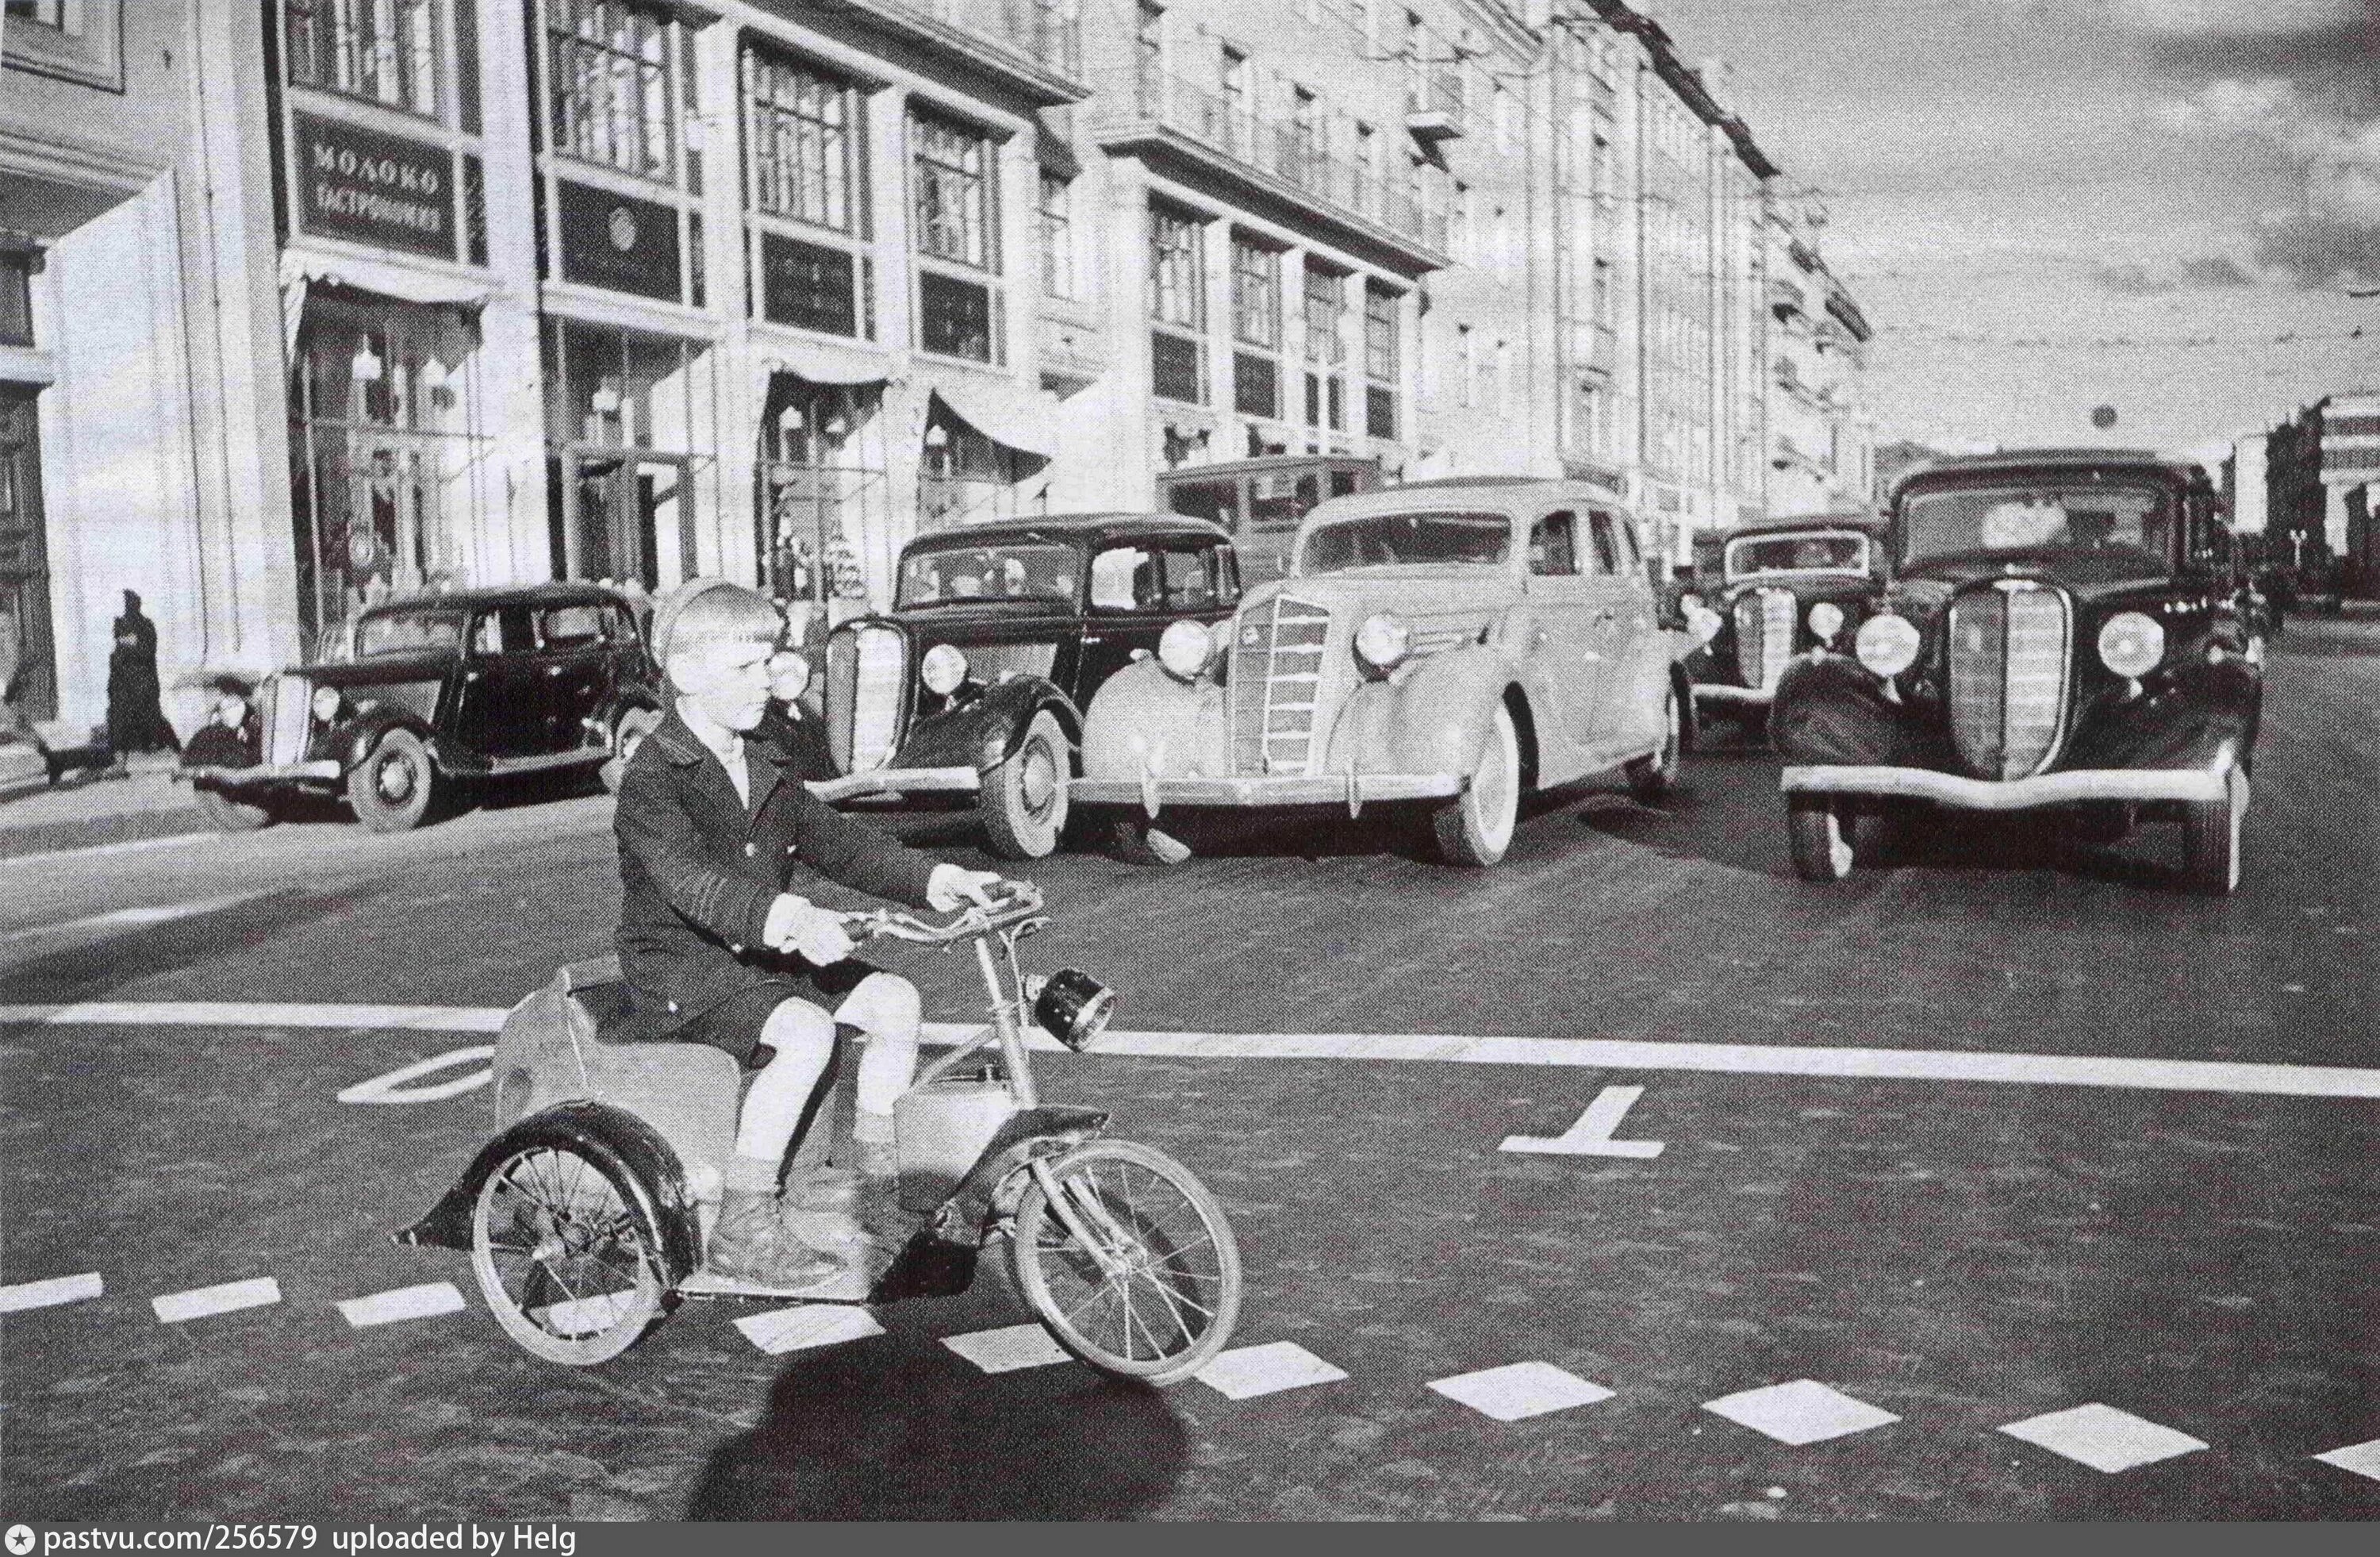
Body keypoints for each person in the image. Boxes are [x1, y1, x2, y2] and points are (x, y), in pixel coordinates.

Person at [613, 578, 1004, 1289]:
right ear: (686, 674)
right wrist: (793, 920)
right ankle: (744, 1220)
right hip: (683, 970)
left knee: (894, 1001)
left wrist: (938, 879)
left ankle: (876, 1189)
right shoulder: (654, 777)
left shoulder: (763, 752)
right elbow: (694, 884)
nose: (767, 681)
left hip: (761, 956)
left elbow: (838, 843)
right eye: (745, 668)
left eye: (770, 662)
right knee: (806, 1032)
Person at [105, 590, 179, 775]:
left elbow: (147, 652)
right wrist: (112, 686)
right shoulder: (120, 625)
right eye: (126, 605)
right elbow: (116, 658)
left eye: (131, 604)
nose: (128, 608)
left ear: (137, 605)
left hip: (142, 685)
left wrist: (129, 645)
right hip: (122, 687)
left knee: (154, 721)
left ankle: (182, 755)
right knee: (118, 723)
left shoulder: (146, 626)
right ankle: (120, 765)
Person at [181, 674, 263, 770]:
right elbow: (188, 761)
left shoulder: (255, 733)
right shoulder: (206, 736)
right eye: (226, 707)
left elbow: (261, 759)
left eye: (236, 704)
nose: (231, 712)